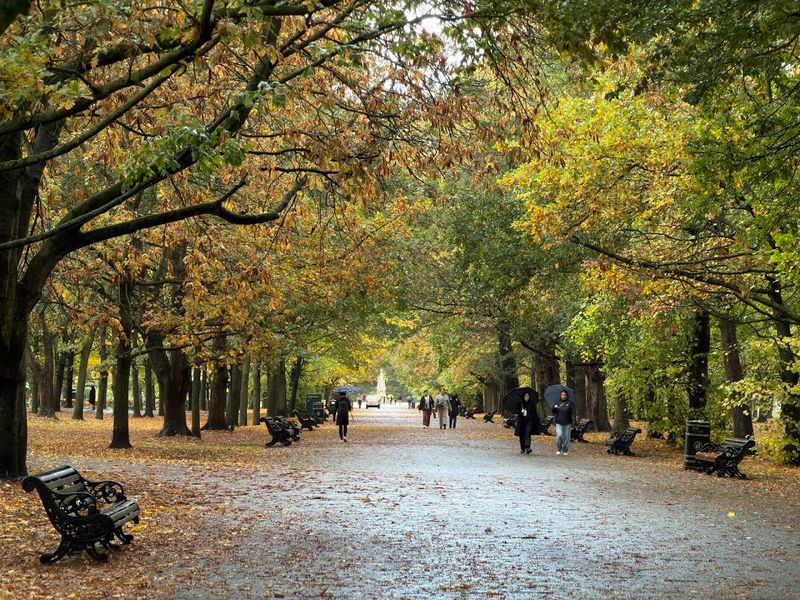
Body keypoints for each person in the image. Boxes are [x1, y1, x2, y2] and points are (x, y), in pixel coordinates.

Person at [553, 390, 574, 455]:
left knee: (566, 437)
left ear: (567, 396)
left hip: (567, 423)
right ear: (560, 395)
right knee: (559, 435)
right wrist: (555, 408)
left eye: (564, 395)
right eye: (562, 395)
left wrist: (573, 421)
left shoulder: (570, 403)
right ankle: (559, 448)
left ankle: (565, 450)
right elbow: (553, 411)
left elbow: (573, 413)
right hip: (559, 422)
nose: (563, 396)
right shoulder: (557, 402)